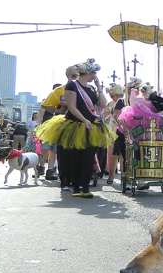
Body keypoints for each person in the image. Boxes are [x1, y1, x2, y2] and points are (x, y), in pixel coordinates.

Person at [35, 59, 114, 198]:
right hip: (75, 124)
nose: (94, 76)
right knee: (76, 158)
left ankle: (85, 187)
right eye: (93, 74)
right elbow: (72, 106)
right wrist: (84, 120)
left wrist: (99, 87)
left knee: (88, 158)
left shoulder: (92, 88)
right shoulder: (72, 85)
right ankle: (76, 187)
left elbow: (102, 104)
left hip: (90, 126)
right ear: (88, 73)